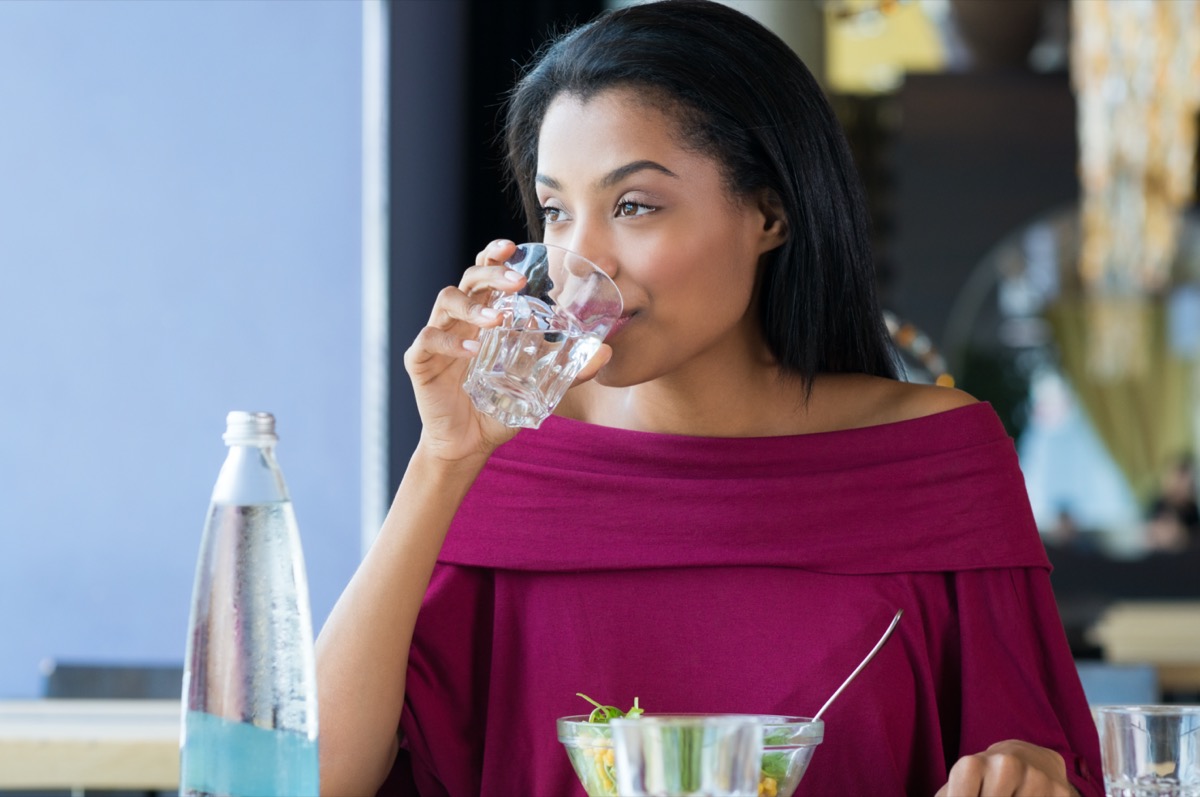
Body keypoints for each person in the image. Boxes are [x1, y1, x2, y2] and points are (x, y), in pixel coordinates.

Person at [315, 2, 1102, 795]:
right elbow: (306, 777)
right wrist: (442, 459)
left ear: (770, 211)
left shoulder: (937, 460)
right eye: (556, 211)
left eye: (633, 206)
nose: (579, 261)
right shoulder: (500, 460)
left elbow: (1032, 762)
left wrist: (1027, 775)